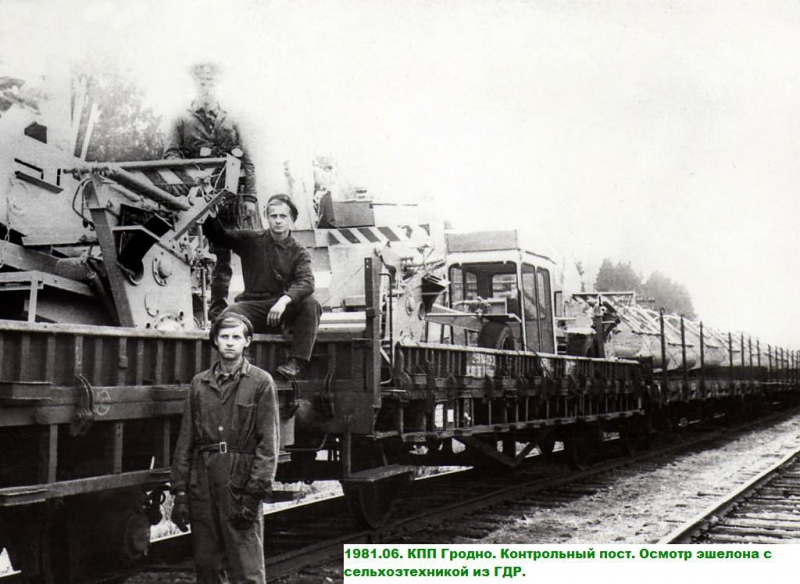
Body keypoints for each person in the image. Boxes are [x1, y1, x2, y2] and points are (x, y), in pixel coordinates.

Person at [170, 312, 279, 583]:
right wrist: (181, 493)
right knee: (207, 566)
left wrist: (254, 496)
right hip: (203, 482)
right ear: (215, 342)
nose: (230, 343)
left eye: (236, 337)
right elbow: (186, 441)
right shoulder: (200, 384)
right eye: (224, 337)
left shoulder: (261, 382)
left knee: (247, 568)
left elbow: (268, 445)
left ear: (247, 342)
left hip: (239, 483)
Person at [164, 61, 261, 320]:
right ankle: (186, 306)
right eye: (202, 82)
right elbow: (170, 154)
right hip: (192, 198)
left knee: (223, 255)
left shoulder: (232, 121)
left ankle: (219, 308)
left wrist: (249, 198)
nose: (207, 87)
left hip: (226, 198)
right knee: (184, 250)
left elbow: (248, 162)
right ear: (195, 85)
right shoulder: (181, 119)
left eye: (211, 82)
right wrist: (185, 187)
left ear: (218, 86)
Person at [203, 193, 322, 378]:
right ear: (267, 218)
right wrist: (208, 209)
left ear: (292, 220)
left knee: (311, 304)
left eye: (283, 216)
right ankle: (238, 361)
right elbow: (219, 236)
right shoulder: (252, 240)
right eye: (273, 216)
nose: (278, 221)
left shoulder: (299, 252)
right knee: (226, 317)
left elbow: (306, 282)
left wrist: (285, 300)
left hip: (283, 308)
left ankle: (295, 361)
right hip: (253, 305)